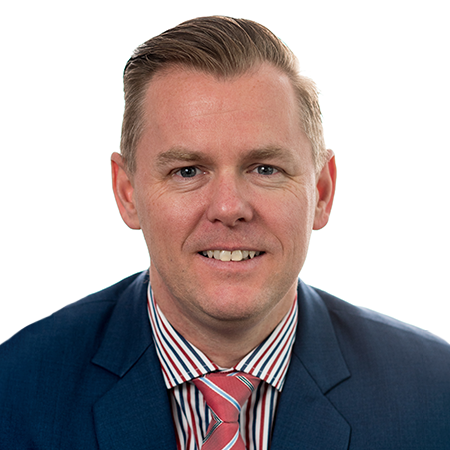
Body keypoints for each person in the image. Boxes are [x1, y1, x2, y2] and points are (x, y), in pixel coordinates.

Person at [1, 16, 449, 450]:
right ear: (127, 193)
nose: (229, 208)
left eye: (265, 168)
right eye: (187, 171)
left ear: (322, 191)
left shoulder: (434, 393)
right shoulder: (15, 393)